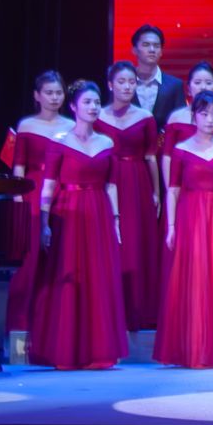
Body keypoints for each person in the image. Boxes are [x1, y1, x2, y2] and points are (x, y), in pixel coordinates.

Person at [32, 83, 126, 370]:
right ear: (73, 106)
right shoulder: (59, 141)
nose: (93, 107)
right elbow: (48, 186)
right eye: (87, 102)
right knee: (70, 278)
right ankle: (66, 349)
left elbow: (111, 186)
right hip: (69, 214)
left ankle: (97, 350)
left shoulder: (107, 143)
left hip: (98, 213)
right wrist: (44, 223)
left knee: (98, 278)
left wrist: (116, 220)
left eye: (97, 102)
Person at [154, 92, 213, 368]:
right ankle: (190, 348)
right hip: (190, 216)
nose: (210, 119)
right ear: (193, 116)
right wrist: (171, 226)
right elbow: (173, 190)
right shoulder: (181, 150)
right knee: (192, 277)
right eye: (204, 114)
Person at [2, 70, 72, 338]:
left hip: (62, 194)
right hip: (32, 194)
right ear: (37, 95)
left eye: (59, 93)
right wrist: (18, 200)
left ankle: (55, 331)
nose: (55, 98)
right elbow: (18, 167)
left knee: (60, 261)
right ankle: (20, 332)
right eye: (49, 93)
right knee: (29, 264)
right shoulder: (27, 125)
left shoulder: (71, 125)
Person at [97, 60, 162, 331]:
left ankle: (139, 310)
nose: (127, 87)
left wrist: (156, 191)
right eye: (121, 82)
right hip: (106, 182)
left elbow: (151, 157)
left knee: (136, 242)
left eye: (132, 82)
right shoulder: (97, 116)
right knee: (111, 243)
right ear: (110, 85)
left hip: (137, 182)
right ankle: (109, 312)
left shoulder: (145, 117)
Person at [160, 62, 213, 191]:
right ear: (188, 88)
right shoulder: (176, 117)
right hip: (183, 187)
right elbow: (167, 156)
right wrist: (170, 189)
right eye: (197, 82)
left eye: (208, 83)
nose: (203, 87)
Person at [128, 24, 186, 120]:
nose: (152, 50)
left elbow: (181, 121)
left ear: (161, 52)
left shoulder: (175, 85)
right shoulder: (123, 83)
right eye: (146, 45)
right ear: (134, 50)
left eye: (156, 46)